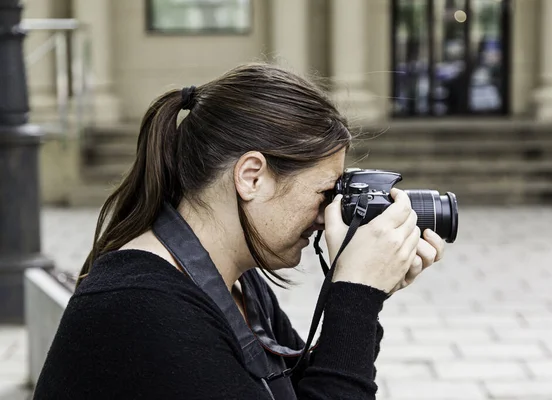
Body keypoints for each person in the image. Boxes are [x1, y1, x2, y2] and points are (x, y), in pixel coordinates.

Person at [32, 63, 445, 399]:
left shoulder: (240, 284)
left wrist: (367, 293)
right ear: (251, 177)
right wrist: (355, 296)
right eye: (324, 192)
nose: (328, 215)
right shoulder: (139, 306)